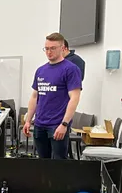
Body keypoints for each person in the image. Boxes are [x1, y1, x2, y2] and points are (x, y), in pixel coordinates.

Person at [23, 32, 82, 160]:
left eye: (53, 48)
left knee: (58, 165)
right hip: (40, 124)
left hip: (57, 125)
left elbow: (74, 98)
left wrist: (64, 124)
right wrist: (28, 120)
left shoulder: (71, 69)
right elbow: (35, 97)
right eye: (47, 48)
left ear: (62, 48)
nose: (49, 52)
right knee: (43, 163)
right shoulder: (41, 70)